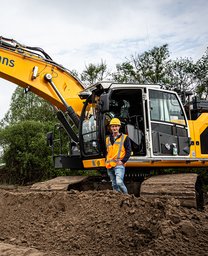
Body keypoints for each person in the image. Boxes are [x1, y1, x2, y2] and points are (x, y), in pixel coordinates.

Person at [105, 118, 131, 194]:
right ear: (110, 127)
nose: (114, 128)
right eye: (113, 126)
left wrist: (123, 161)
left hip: (119, 164)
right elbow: (107, 151)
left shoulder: (125, 138)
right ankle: (117, 200)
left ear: (119, 127)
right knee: (114, 185)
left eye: (116, 126)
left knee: (119, 182)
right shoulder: (107, 139)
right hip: (109, 165)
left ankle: (127, 197)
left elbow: (128, 151)